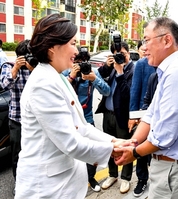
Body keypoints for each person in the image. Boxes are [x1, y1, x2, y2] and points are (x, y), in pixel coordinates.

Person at [14, 14, 129, 199]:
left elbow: (81, 127)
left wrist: (114, 141)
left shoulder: (56, 77)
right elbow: (71, 143)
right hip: (46, 189)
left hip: (64, 185)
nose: (77, 51)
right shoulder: (42, 84)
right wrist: (113, 150)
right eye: (73, 43)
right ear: (53, 46)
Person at [114, 17, 178, 199]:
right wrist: (132, 142)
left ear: (167, 40)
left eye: (147, 40)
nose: (143, 47)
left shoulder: (177, 73)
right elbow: (151, 114)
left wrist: (133, 152)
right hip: (169, 166)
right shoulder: (168, 71)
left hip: (175, 168)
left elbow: (164, 137)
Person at [62, 47, 110, 192]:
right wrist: (71, 76)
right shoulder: (66, 72)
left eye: (84, 62)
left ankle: (91, 177)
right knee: (69, 153)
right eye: (78, 63)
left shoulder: (92, 72)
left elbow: (107, 91)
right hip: (68, 120)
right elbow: (59, 92)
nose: (82, 66)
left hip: (87, 118)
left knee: (91, 152)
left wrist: (94, 80)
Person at [96, 40, 134, 194]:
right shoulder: (111, 67)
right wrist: (107, 66)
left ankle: (126, 178)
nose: (119, 58)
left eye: (122, 54)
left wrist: (120, 72)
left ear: (128, 54)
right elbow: (99, 78)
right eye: (116, 55)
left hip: (123, 116)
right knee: (109, 146)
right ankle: (112, 174)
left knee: (125, 146)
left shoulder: (133, 69)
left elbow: (127, 95)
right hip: (108, 113)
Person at [0, 39, 35, 195]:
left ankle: (34, 183)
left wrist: (33, 68)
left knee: (36, 153)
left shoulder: (36, 67)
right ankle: (18, 184)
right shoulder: (9, 66)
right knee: (17, 155)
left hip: (35, 121)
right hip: (17, 120)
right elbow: (4, 85)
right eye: (25, 56)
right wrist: (16, 68)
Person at [128, 40, 155, 197]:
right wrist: (133, 115)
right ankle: (142, 180)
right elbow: (135, 90)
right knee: (141, 150)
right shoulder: (142, 64)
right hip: (143, 115)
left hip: (161, 117)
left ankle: (156, 180)